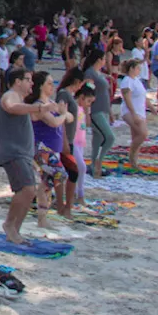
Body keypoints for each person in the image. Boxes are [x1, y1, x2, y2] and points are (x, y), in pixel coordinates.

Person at [0, 67, 46, 244]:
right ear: (18, 81)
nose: (31, 83)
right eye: (28, 79)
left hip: (23, 153)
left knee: (28, 191)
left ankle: (15, 230)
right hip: (13, 152)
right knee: (26, 189)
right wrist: (38, 107)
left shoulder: (21, 99)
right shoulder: (10, 95)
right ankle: (10, 225)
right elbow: (10, 107)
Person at [25, 71, 71, 225]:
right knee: (59, 174)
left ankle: (42, 218)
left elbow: (69, 117)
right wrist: (63, 114)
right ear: (41, 86)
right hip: (42, 148)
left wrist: (63, 113)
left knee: (48, 183)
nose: (53, 86)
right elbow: (54, 122)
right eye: (49, 83)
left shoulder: (50, 103)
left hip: (53, 149)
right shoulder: (39, 105)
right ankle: (39, 208)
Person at [54, 66, 85, 213]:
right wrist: (65, 140)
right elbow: (61, 116)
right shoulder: (63, 94)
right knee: (71, 172)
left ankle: (65, 205)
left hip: (69, 139)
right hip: (64, 140)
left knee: (68, 172)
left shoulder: (68, 95)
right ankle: (65, 206)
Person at [81, 49, 114, 178]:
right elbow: (87, 93)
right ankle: (99, 162)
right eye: (104, 58)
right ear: (99, 59)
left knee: (98, 139)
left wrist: (110, 112)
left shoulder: (98, 73)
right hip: (95, 110)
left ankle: (93, 164)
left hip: (104, 108)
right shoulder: (90, 73)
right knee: (109, 137)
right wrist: (87, 113)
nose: (106, 61)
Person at [118, 59, 148, 172]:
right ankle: (131, 155)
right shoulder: (127, 81)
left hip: (140, 111)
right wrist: (133, 113)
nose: (139, 70)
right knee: (142, 134)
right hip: (130, 112)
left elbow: (143, 95)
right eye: (137, 68)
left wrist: (152, 107)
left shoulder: (137, 80)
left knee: (136, 136)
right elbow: (127, 98)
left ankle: (134, 162)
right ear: (131, 69)